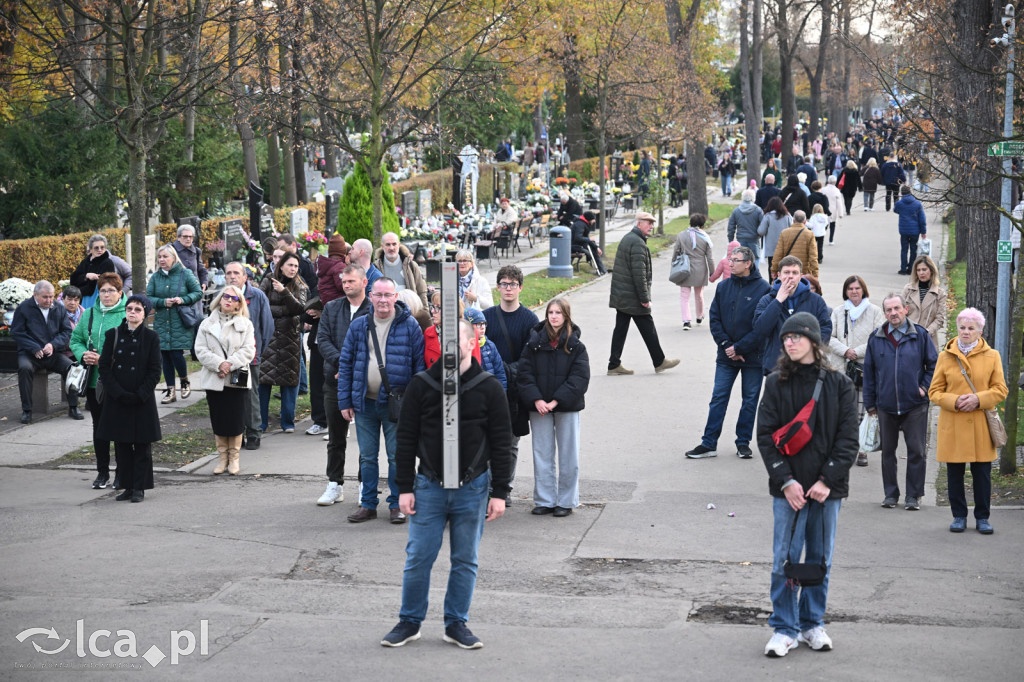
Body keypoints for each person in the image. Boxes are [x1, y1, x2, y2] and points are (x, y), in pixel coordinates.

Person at [380, 319, 513, 650]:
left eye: (458, 341)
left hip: (473, 489)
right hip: (428, 486)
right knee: (418, 557)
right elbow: (406, 438)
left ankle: (456, 623)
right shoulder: (422, 384)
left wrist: (500, 493)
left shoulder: (489, 387)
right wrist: (404, 487)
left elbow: (501, 442)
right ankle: (409, 621)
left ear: (473, 343)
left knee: (465, 559)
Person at [756, 312, 858, 658]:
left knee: (819, 559)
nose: (790, 342)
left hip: (826, 491)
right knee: (782, 561)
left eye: (797, 337)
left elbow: (848, 439)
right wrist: (786, 482)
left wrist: (827, 481)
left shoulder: (840, 385)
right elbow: (766, 437)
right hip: (788, 491)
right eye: (786, 338)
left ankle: (812, 623)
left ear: (814, 342)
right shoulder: (774, 383)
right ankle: (784, 628)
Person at [339, 277, 426, 524]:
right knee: (367, 456)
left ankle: (397, 504)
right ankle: (368, 504)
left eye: (388, 295)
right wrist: (345, 400)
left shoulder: (410, 325)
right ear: (371, 296)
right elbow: (346, 363)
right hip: (364, 403)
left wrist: (415, 403)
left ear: (395, 297)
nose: (383, 300)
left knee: (397, 456)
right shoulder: (359, 325)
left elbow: (419, 368)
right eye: (378, 295)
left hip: (396, 405)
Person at [686, 246, 770, 460]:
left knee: (749, 400)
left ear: (748, 263)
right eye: (730, 259)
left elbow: (763, 327)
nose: (730, 263)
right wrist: (727, 346)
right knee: (718, 398)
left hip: (752, 357)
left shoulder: (764, 289)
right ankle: (708, 443)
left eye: (735, 260)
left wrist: (740, 348)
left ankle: (743, 443)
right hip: (726, 356)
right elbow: (714, 319)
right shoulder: (723, 287)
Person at [928, 308, 1007, 534]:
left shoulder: (993, 356)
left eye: (971, 328)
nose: (965, 331)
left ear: (980, 331)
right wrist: (955, 401)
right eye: (962, 327)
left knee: (982, 474)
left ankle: (982, 517)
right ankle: (959, 516)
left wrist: (977, 399)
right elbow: (935, 392)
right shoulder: (946, 356)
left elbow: (1001, 389)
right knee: (954, 473)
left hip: (981, 426)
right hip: (953, 423)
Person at [863, 293, 937, 511]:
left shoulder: (920, 335)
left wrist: (924, 388)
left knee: (916, 451)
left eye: (897, 308)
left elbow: (934, 366)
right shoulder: (876, 338)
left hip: (914, 405)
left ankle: (913, 496)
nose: (893, 313)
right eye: (888, 310)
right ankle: (891, 494)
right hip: (885, 405)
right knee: (887, 453)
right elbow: (869, 373)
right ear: (884, 313)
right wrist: (870, 404)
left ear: (906, 309)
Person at [519, 298, 590, 516]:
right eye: (550, 312)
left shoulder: (576, 345)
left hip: (566, 406)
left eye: (558, 312)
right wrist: (537, 400)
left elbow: (579, 378)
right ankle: (545, 499)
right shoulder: (534, 343)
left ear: (566, 315)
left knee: (569, 454)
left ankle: (566, 501)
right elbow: (524, 374)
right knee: (542, 452)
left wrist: (556, 400)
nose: (554, 316)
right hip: (539, 406)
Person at [96, 294, 163, 503]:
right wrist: (117, 392)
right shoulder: (113, 334)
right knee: (122, 444)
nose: (132, 313)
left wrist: (141, 393)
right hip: (118, 398)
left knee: (142, 445)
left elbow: (155, 370)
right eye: (130, 309)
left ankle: (139, 487)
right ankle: (125, 485)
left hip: (142, 399)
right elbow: (105, 367)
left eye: (137, 310)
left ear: (145, 314)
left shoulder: (152, 338)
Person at [316, 264, 370, 506]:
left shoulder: (372, 309)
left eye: (351, 281)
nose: (347, 285)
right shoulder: (331, 307)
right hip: (334, 380)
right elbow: (323, 339)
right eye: (344, 281)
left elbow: (374, 345)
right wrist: (342, 364)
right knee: (336, 438)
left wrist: (352, 369)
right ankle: (334, 484)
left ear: (364, 282)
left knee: (366, 439)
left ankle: (363, 485)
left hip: (365, 382)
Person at [69, 273, 126, 488]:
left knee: (119, 428)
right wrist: (83, 354)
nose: (106, 294)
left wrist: (105, 359)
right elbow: (76, 340)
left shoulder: (126, 314)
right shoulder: (89, 313)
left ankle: (122, 472)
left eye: (111, 290)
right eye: (102, 290)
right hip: (94, 382)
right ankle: (102, 472)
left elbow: (131, 347)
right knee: (100, 428)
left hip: (118, 381)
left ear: (120, 293)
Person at [484, 265, 540, 477]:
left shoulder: (530, 320)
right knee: (485, 440)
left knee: (509, 443)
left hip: (514, 391)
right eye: (504, 284)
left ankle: (503, 488)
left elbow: (529, 358)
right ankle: (485, 489)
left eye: (513, 284)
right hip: (486, 387)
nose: (508, 288)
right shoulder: (486, 317)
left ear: (520, 288)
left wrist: (503, 371)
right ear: (497, 287)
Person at [607, 212, 680, 375]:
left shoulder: (629, 238)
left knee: (621, 329)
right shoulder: (638, 243)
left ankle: (613, 364)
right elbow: (639, 274)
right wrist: (644, 298)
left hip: (623, 295)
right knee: (647, 326)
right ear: (639, 224)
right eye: (649, 223)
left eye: (653, 224)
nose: (652, 227)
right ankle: (659, 361)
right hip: (632, 296)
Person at [195, 285, 256, 475]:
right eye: (226, 297)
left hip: (237, 377)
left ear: (239, 303)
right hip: (215, 377)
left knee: (236, 419)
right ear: (220, 299)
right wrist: (218, 364)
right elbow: (200, 350)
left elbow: (249, 350)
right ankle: (222, 458)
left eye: (234, 298)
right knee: (219, 418)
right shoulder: (206, 324)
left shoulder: (245, 324)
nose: (229, 300)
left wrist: (229, 364)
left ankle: (234, 458)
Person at [827, 276, 886, 467]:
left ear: (863, 290)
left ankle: (862, 449)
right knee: (842, 411)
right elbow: (829, 336)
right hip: (841, 367)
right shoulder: (837, 312)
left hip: (864, 367)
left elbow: (878, 338)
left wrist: (856, 352)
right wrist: (845, 351)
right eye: (850, 288)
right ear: (845, 291)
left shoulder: (875, 311)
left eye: (857, 288)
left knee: (862, 410)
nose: (854, 292)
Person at [11, 280, 82, 424]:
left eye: (51, 296)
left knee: (73, 368)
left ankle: (73, 406)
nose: (49, 300)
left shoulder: (59, 308)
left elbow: (66, 331)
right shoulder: (23, 308)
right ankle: (27, 410)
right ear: (35, 295)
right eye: (45, 297)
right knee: (24, 369)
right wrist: (34, 347)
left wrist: (53, 345)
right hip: (29, 354)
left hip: (53, 354)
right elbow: (17, 332)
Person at [752, 255, 832, 376]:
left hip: (807, 365)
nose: (790, 276)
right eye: (786, 272)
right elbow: (760, 329)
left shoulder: (816, 300)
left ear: (800, 276)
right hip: (775, 366)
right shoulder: (767, 300)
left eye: (795, 272)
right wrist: (777, 301)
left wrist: (809, 351)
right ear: (778, 275)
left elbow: (825, 328)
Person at [223, 262, 273, 451]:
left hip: (249, 357)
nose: (232, 276)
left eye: (236, 273)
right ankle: (237, 433)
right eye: (229, 273)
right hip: (227, 358)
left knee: (250, 396)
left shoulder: (257, 296)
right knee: (232, 396)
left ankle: (253, 433)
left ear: (245, 277)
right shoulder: (224, 297)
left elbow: (267, 327)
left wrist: (257, 350)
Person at [258, 251, 308, 433]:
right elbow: (260, 303)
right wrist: (282, 310)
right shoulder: (268, 280)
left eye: (296, 266)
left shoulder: (300, 285)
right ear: (281, 265)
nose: (293, 269)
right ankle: (260, 422)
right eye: (290, 265)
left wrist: (284, 292)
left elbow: (299, 308)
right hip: (269, 337)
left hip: (290, 337)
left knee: (290, 381)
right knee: (263, 381)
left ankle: (288, 422)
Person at [147, 244, 202, 404]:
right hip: (162, 322)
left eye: (165, 256)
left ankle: (184, 381)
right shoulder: (156, 277)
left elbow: (198, 292)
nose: (162, 260)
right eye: (160, 257)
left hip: (180, 322)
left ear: (173, 258)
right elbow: (148, 297)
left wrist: (182, 300)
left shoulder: (185, 274)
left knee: (177, 354)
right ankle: (170, 390)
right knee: (165, 356)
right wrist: (163, 302)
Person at [672, 214, 715, 330]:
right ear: (702, 225)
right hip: (700, 268)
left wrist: (673, 265)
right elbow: (710, 258)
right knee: (699, 295)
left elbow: (676, 251)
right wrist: (712, 272)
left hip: (684, 268)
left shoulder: (681, 235)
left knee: (684, 295)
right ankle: (699, 316)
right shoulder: (705, 237)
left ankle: (686, 320)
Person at [70, 235, 131, 308]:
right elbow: (73, 279)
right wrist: (87, 275)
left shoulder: (108, 262)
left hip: (99, 300)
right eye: (96, 248)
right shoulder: (85, 261)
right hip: (84, 298)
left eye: (102, 247)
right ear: (91, 249)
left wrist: (122, 292)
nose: (99, 250)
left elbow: (108, 284)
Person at [424, 291, 479, 368]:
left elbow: (475, 367)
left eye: (438, 307)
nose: (432, 311)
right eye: (433, 306)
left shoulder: (469, 331)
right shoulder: (429, 333)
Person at [903, 255, 947, 350]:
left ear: (931, 270)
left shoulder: (939, 294)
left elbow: (939, 319)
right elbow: (901, 312)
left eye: (924, 269)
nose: (921, 273)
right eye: (918, 270)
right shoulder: (908, 289)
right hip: (908, 337)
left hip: (928, 340)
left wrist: (926, 332)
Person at [374, 231, 429, 307]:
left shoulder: (411, 265)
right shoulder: (376, 267)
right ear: (382, 246)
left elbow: (421, 291)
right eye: (388, 244)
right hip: (384, 312)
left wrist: (425, 313)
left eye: (394, 244)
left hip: (410, 312)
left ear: (399, 245)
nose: (391, 248)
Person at [464, 308, 507, 390]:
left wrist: (501, 395)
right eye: (478, 324)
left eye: (484, 323)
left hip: (492, 394)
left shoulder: (490, 345)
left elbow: (500, 373)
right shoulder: (464, 348)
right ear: (468, 326)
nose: (483, 327)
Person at [772, 210, 818, 279]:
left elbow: (778, 254)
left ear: (793, 220)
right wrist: (815, 274)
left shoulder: (784, 233)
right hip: (803, 271)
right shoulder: (810, 234)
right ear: (805, 221)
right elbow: (813, 257)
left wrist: (774, 270)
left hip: (787, 269)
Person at [894, 185, 928, 275]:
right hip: (915, 231)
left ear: (901, 193)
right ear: (910, 192)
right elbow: (922, 219)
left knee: (904, 249)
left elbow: (895, 210)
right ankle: (911, 268)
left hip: (904, 230)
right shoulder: (917, 204)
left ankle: (903, 269)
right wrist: (923, 232)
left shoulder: (899, 203)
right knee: (913, 249)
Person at [757, 197, 793, 276]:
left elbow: (761, 231)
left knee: (772, 267)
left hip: (771, 248)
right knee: (785, 267)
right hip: (785, 246)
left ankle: (772, 284)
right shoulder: (787, 216)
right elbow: (793, 228)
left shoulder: (768, 216)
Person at [729, 189, 765, 261]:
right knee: (755, 259)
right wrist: (759, 235)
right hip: (754, 238)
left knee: (742, 260)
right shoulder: (758, 210)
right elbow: (763, 225)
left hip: (741, 239)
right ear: (753, 197)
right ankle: (754, 272)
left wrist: (730, 240)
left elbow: (731, 226)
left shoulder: (736, 211)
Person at [172, 224, 209, 292]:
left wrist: (204, 282)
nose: (188, 239)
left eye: (190, 236)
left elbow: (202, 270)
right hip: (177, 292)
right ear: (178, 237)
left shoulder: (196, 251)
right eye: (185, 236)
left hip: (195, 292)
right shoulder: (171, 250)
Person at [315, 234, 349, 306]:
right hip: (337, 304)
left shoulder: (326, 264)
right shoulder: (339, 266)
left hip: (327, 302)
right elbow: (343, 286)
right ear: (343, 251)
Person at [822, 176, 843, 245]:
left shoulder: (823, 189)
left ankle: (821, 238)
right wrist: (840, 213)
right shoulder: (836, 190)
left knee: (824, 226)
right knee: (832, 225)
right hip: (833, 211)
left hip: (823, 210)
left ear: (828, 181)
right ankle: (831, 240)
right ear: (835, 182)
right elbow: (839, 203)